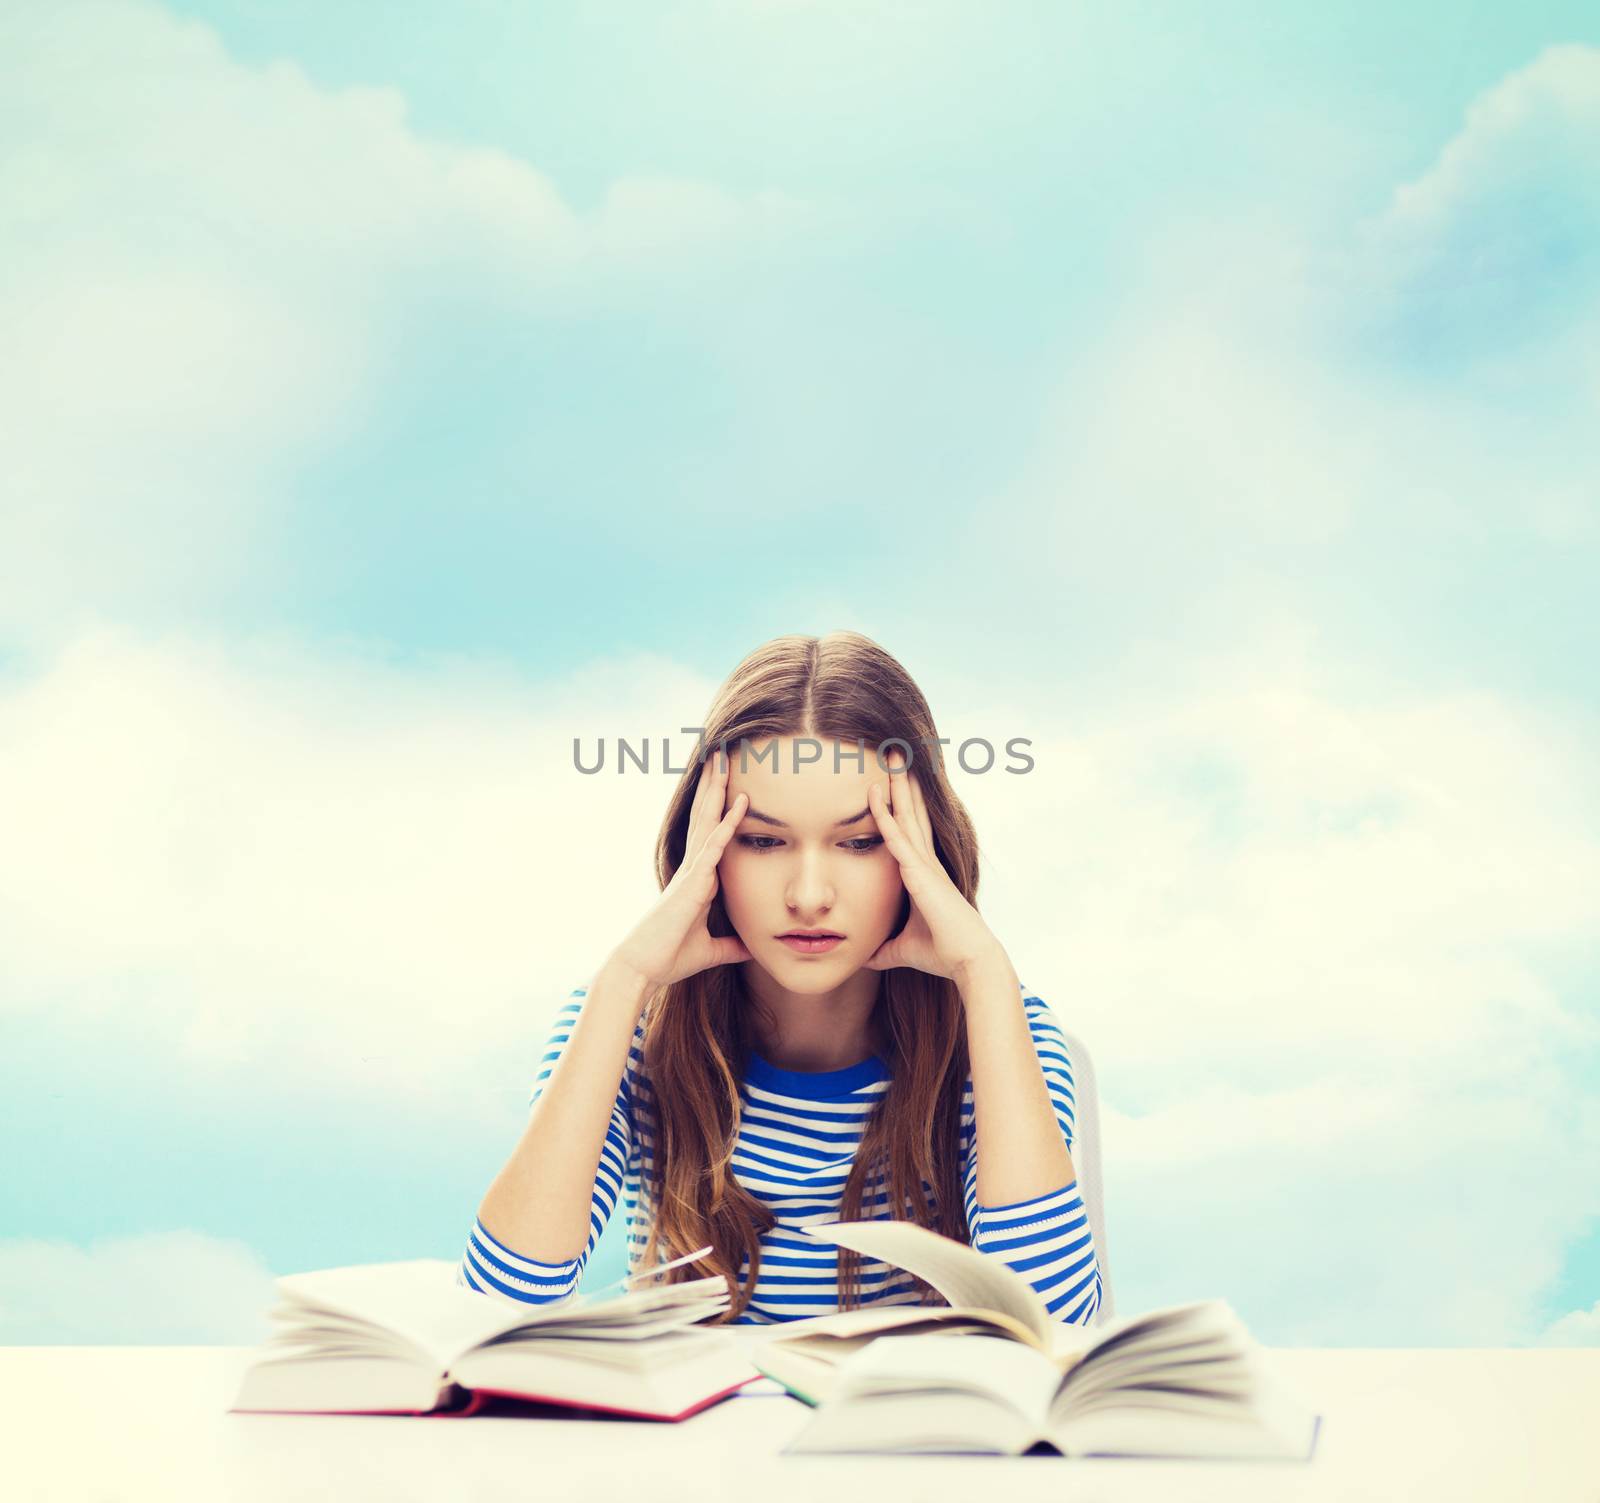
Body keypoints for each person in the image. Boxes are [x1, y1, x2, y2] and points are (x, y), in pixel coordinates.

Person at [456, 631, 1102, 1326]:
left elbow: (1057, 1328)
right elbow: (497, 1312)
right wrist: (623, 980)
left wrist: (984, 973)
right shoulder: (629, 1026)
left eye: (860, 841)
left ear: (924, 849)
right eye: (762, 840)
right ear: (705, 850)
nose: (809, 894)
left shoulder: (1004, 1031)